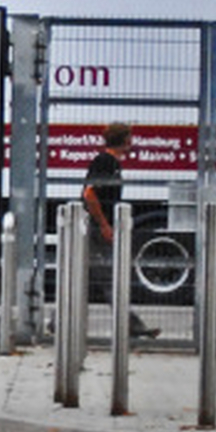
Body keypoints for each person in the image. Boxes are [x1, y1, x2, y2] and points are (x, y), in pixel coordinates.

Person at [80, 122, 161, 338]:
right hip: (98, 229)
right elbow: (89, 193)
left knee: (85, 277)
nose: (132, 141)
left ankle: (57, 323)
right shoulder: (105, 161)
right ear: (125, 140)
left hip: (100, 226)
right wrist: (105, 225)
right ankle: (132, 326)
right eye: (130, 137)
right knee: (110, 279)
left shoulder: (112, 163)